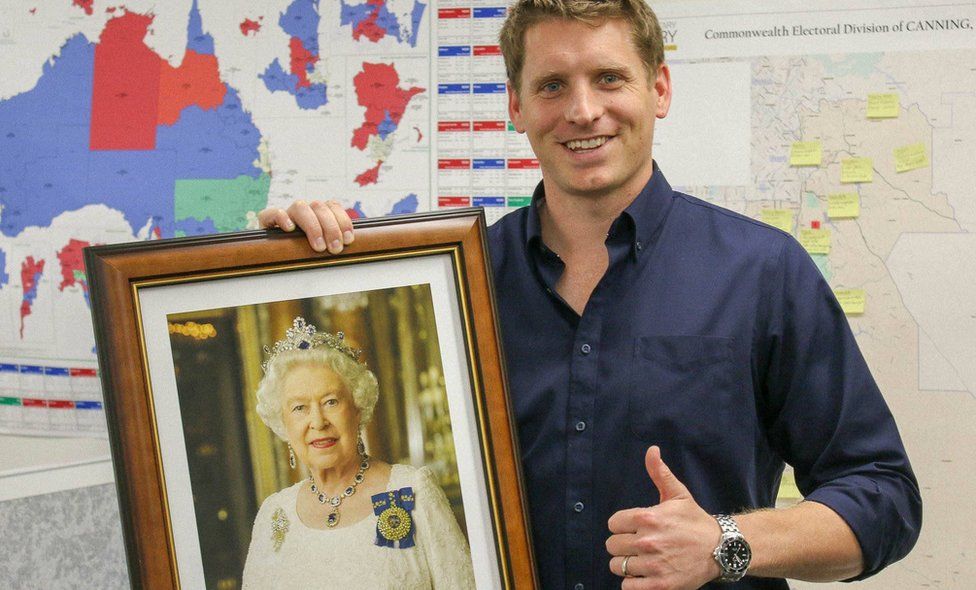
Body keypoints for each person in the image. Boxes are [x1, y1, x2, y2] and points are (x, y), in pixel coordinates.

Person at [258, 1, 922, 587]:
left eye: (609, 77)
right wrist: (292, 266)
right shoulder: (459, 282)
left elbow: (884, 501)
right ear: (516, 106)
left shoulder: (763, 272)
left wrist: (726, 544)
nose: (582, 110)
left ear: (658, 89)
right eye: (552, 85)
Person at [241, 317, 475, 589]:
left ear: (357, 408)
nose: (317, 421)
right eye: (299, 408)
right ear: (283, 424)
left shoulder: (410, 490)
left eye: (330, 402)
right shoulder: (274, 513)